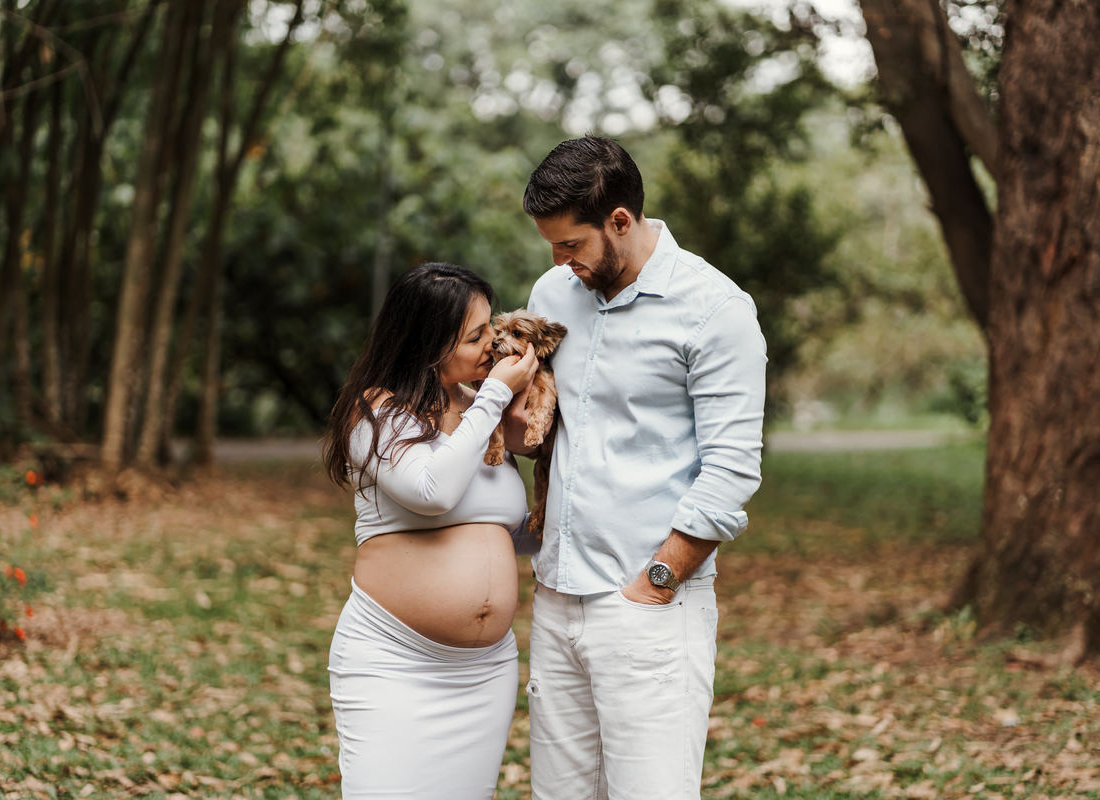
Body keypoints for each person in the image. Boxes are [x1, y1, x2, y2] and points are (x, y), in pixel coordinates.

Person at [506, 136, 767, 799]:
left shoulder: (715, 310)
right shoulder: (553, 293)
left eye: (572, 245)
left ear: (620, 221)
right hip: (558, 600)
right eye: (552, 247)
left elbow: (732, 470)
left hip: (650, 605)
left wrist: (656, 581)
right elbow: (544, 426)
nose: (561, 263)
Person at [322, 262, 539, 799]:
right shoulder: (372, 412)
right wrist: (492, 400)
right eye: (476, 336)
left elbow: (500, 533)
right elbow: (430, 491)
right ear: (429, 343)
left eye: (492, 327)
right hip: (393, 661)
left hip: (484, 671)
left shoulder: (477, 413)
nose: (494, 345)